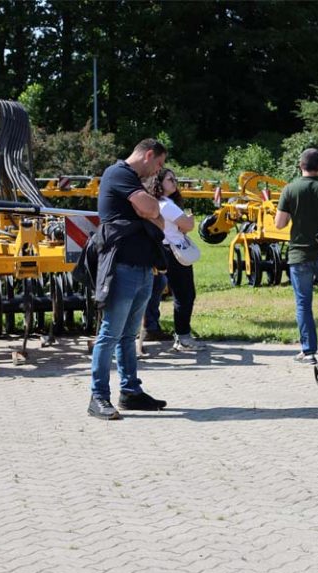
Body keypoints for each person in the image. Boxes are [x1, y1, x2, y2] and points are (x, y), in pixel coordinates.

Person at [88, 138, 169, 421]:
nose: (157, 172)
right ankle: (98, 397)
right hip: (122, 267)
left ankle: (130, 392)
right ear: (148, 155)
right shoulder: (118, 173)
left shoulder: (133, 181)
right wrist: (150, 209)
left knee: (127, 336)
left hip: (143, 268)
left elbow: (155, 214)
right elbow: (152, 210)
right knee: (110, 334)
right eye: (158, 164)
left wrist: (151, 209)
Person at [274, 148, 318, 365]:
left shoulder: (290, 189)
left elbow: (280, 223)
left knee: (303, 303)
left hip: (299, 253)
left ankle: (308, 352)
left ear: (300, 165)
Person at [152, 167, 203, 351]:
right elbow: (187, 225)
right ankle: (183, 337)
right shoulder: (166, 205)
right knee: (185, 294)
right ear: (159, 183)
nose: (174, 182)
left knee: (177, 294)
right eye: (169, 179)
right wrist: (190, 219)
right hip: (173, 251)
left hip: (163, 249)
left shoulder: (157, 203)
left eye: (174, 179)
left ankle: (181, 334)